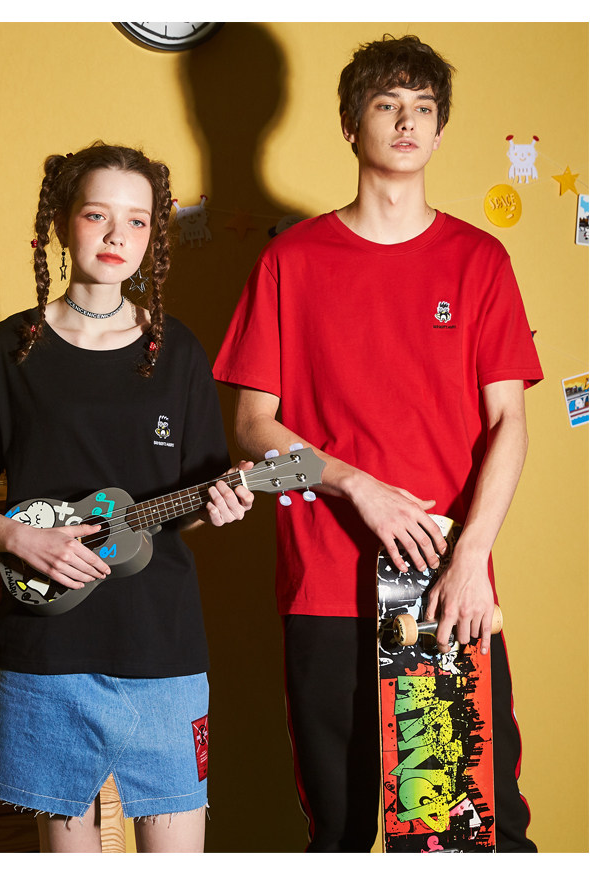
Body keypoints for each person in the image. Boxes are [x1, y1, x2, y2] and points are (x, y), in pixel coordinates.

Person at [213, 35, 541, 852]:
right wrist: (357, 485)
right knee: (343, 829)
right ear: (350, 124)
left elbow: (510, 422)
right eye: (387, 104)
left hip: (444, 585)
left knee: (466, 832)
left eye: (423, 108)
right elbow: (251, 430)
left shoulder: (479, 260)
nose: (406, 122)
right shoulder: (291, 261)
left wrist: (472, 558)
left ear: (439, 130)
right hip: (324, 584)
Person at [0, 142, 254, 853]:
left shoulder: (178, 352)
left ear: (153, 238)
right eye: (97, 214)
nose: (116, 235)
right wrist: (14, 536)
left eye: (136, 221)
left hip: (161, 648)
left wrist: (220, 505)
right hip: (47, 649)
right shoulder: (9, 347)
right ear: (62, 222)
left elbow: (191, 505)